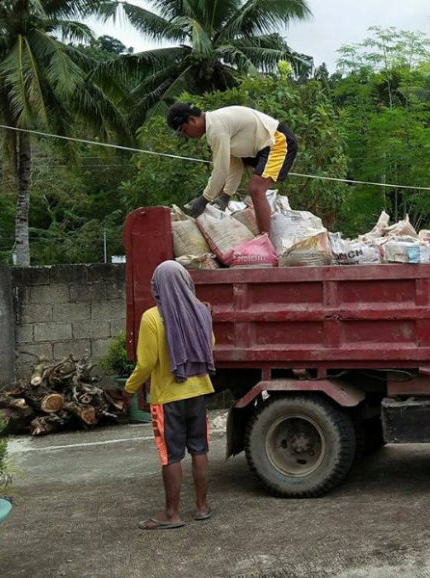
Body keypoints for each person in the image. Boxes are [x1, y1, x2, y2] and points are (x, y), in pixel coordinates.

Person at [125, 260, 216, 530]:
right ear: (187, 281)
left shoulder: (152, 317)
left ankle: (172, 514)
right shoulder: (201, 311)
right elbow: (209, 345)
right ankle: (201, 507)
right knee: (199, 449)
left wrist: (128, 388)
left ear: (157, 286)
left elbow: (146, 364)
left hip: (167, 397)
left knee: (171, 456)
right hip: (199, 392)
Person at [167, 102, 298, 235]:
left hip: (278, 141)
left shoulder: (216, 128)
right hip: (264, 145)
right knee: (246, 189)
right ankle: (263, 238)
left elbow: (221, 170)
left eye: (184, 130)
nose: (186, 135)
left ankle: (265, 242)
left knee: (256, 189)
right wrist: (226, 196)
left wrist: (204, 199)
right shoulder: (216, 125)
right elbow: (235, 165)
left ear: (192, 120)